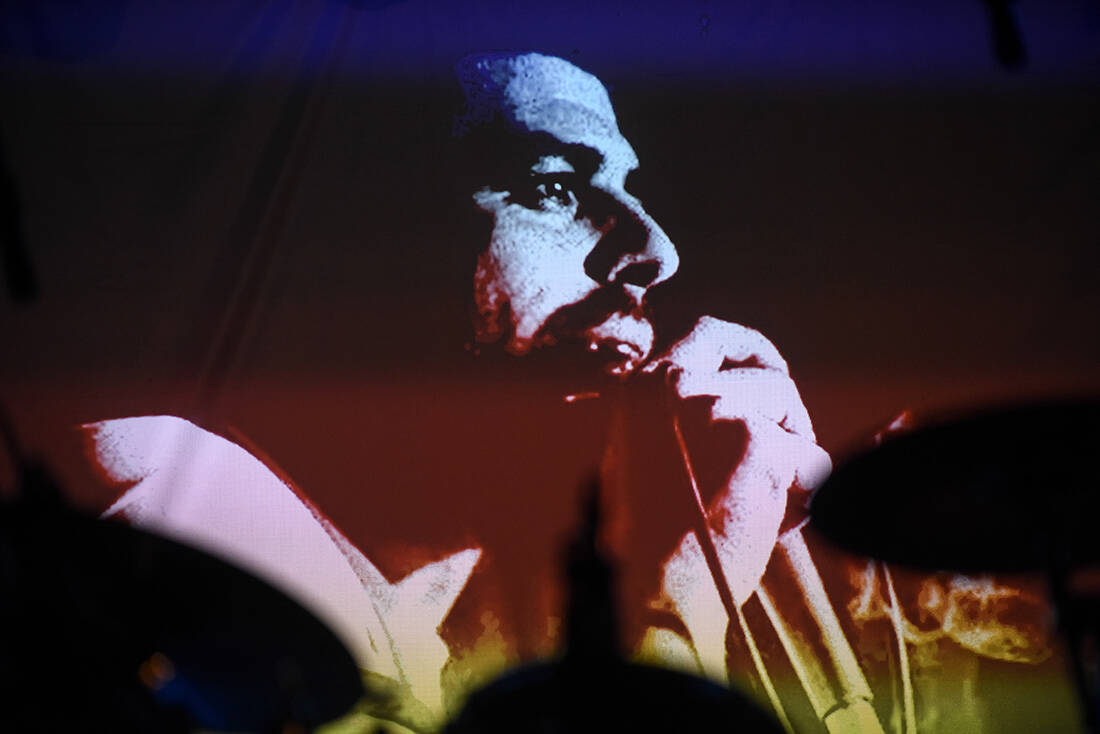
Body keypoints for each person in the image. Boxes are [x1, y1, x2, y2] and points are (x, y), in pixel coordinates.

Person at [83, 53, 1073, 733]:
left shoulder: (506, 591)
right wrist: (677, 606)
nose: (654, 251)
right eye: (552, 187)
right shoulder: (166, 494)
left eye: (633, 190)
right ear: (367, 239)